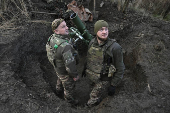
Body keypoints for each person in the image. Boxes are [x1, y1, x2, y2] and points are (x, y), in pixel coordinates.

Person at [84, 20, 125, 107]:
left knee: (93, 96)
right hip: (92, 74)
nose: (104, 32)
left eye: (106, 29)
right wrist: (85, 68)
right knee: (92, 87)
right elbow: (89, 57)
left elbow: (120, 68)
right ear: (96, 31)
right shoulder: (92, 42)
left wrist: (113, 85)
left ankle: (90, 106)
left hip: (104, 78)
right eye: (101, 29)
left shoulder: (115, 48)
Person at [46, 18, 79, 105]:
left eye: (66, 25)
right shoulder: (65, 46)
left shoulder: (52, 38)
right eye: (63, 27)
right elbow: (70, 65)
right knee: (69, 88)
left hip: (58, 68)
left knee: (60, 78)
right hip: (64, 71)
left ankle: (58, 90)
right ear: (56, 31)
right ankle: (69, 102)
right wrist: (74, 75)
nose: (67, 28)